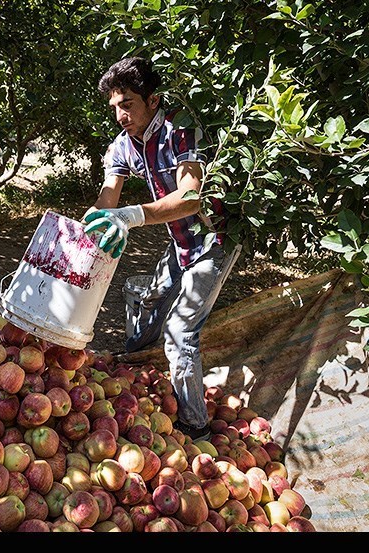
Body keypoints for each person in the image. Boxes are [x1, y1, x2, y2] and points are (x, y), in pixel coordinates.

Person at [83, 56, 241, 441]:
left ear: (152, 101)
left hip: (213, 240)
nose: (120, 115)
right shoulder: (123, 146)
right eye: (115, 107)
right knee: (143, 294)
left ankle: (196, 425)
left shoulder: (181, 132)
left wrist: (132, 215)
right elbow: (107, 200)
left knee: (180, 331)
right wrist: (85, 226)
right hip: (180, 242)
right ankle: (137, 365)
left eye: (128, 104)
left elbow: (190, 199)